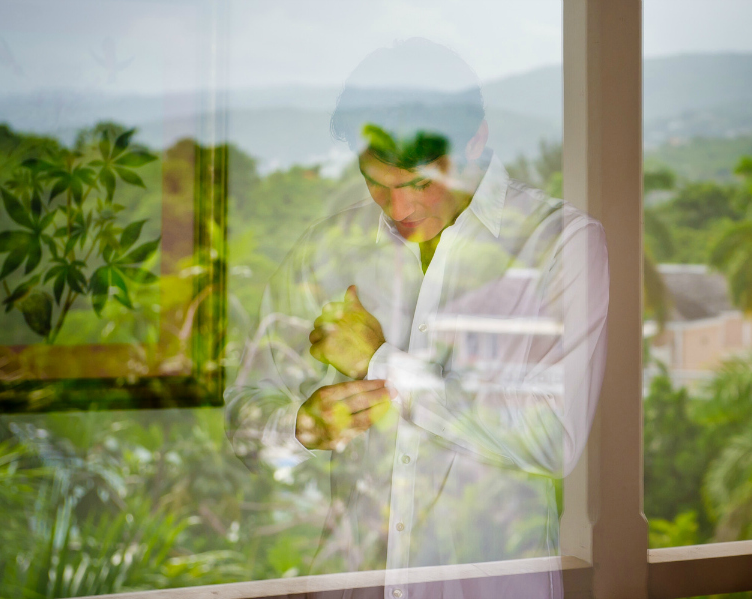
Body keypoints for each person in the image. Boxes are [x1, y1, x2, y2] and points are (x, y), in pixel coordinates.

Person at [224, 38, 608, 599]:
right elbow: (244, 416)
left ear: (476, 141)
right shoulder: (327, 250)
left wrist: (379, 362)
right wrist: (303, 428)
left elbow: (555, 438)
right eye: (376, 183)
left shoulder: (561, 245)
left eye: (421, 182)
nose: (400, 210)